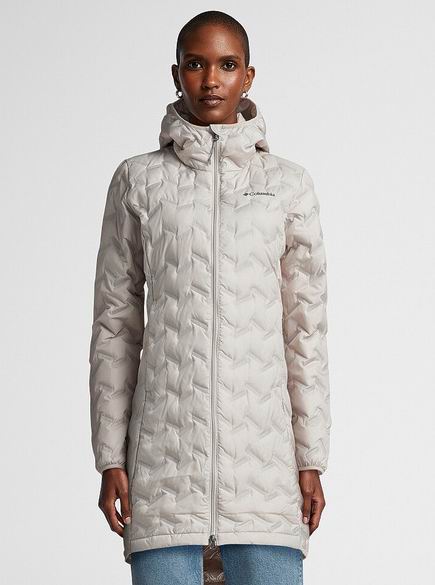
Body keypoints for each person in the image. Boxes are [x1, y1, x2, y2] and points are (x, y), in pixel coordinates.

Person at [89, 10, 331, 585]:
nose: (212, 79)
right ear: (177, 74)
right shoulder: (137, 180)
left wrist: (311, 458)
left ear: (248, 76)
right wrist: (111, 456)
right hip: (163, 471)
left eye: (227, 65)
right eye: (196, 64)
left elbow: (305, 331)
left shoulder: (288, 185)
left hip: (265, 474)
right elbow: (115, 326)